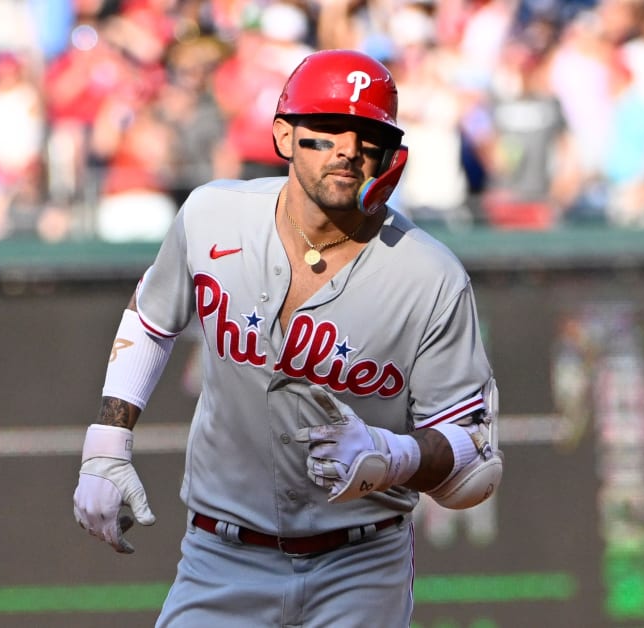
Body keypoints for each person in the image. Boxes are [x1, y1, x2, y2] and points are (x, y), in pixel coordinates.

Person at [72, 49, 503, 627]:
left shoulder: (430, 273)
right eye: (325, 127)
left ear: (390, 152)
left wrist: (389, 456)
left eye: (367, 133)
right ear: (283, 133)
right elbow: (151, 316)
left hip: (361, 563)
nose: (347, 147)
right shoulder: (212, 215)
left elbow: (474, 457)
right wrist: (107, 441)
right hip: (220, 556)